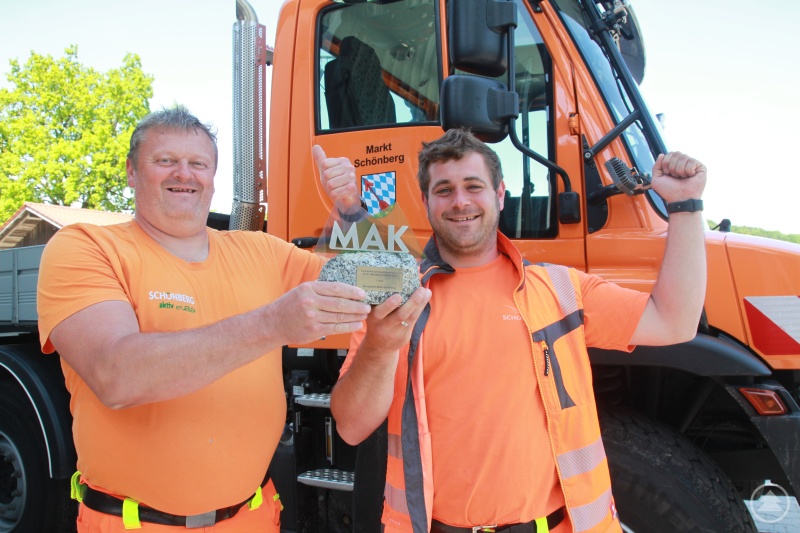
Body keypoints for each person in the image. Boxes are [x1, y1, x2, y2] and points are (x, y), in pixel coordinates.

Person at [330, 128, 707, 533]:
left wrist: (684, 206)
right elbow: (351, 427)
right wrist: (380, 346)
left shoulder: (561, 290)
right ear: (425, 202)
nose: (460, 201)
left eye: (474, 186)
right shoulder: (396, 301)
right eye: (444, 190)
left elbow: (674, 321)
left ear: (500, 194)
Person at [36, 106, 375, 532]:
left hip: (251, 518)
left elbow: (372, 285)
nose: (184, 174)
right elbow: (115, 375)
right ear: (131, 172)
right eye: (165, 161)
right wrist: (272, 324)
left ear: (213, 177)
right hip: (135, 525)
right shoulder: (85, 248)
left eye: (198, 163)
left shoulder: (261, 251)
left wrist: (349, 208)